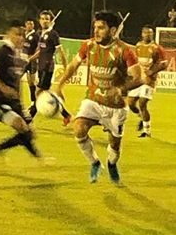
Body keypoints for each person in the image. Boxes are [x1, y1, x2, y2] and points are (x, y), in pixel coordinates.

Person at [53, 11, 141, 185]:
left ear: (113, 30)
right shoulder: (88, 45)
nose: (96, 31)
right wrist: (59, 85)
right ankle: (94, 163)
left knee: (114, 146)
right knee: (78, 129)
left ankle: (111, 164)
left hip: (115, 107)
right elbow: (73, 66)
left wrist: (120, 89)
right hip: (93, 100)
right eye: (95, 27)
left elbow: (139, 78)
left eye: (101, 28)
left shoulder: (124, 51)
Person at [0, 20, 41, 159]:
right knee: (21, 126)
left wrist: (20, 102)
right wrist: (3, 88)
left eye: (23, 35)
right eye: (17, 34)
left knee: (29, 133)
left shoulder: (19, 54)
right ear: (9, 34)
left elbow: (17, 80)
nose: (21, 38)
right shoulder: (3, 52)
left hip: (15, 103)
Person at [26, 10, 72, 125]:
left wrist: (67, 68)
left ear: (51, 21)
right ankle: (66, 115)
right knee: (44, 93)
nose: (44, 21)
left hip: (48, 67)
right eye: (42, 18)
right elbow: (41, 51)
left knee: (38, 92)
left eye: (47, 19)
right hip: (41, 67)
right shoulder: (41, 34)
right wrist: (29, 59)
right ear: (40, 21)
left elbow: (60, 51)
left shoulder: (53, 34)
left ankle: (29, 117)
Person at [125, 25, 167, 138]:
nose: (148, 35)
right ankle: (141, 117)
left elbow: (164, 64)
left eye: (150, 33)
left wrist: (151, 72)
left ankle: (146, 131)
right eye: (146, 33)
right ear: (142, 34)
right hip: (139, 79)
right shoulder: (138, 46)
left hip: (149, 80)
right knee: (131, 104)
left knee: (142, 103)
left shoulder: (157, 48)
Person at [22, 18, 40, 102]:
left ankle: (34, 100)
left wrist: (33, 58)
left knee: (31, 81)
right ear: (25, 24)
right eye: (28, 24)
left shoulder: (36, 36)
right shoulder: (23, 34)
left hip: (31, 60)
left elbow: (38, 48)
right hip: (22, 59)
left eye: (31, 24)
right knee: (16, 78)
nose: (30, 25)